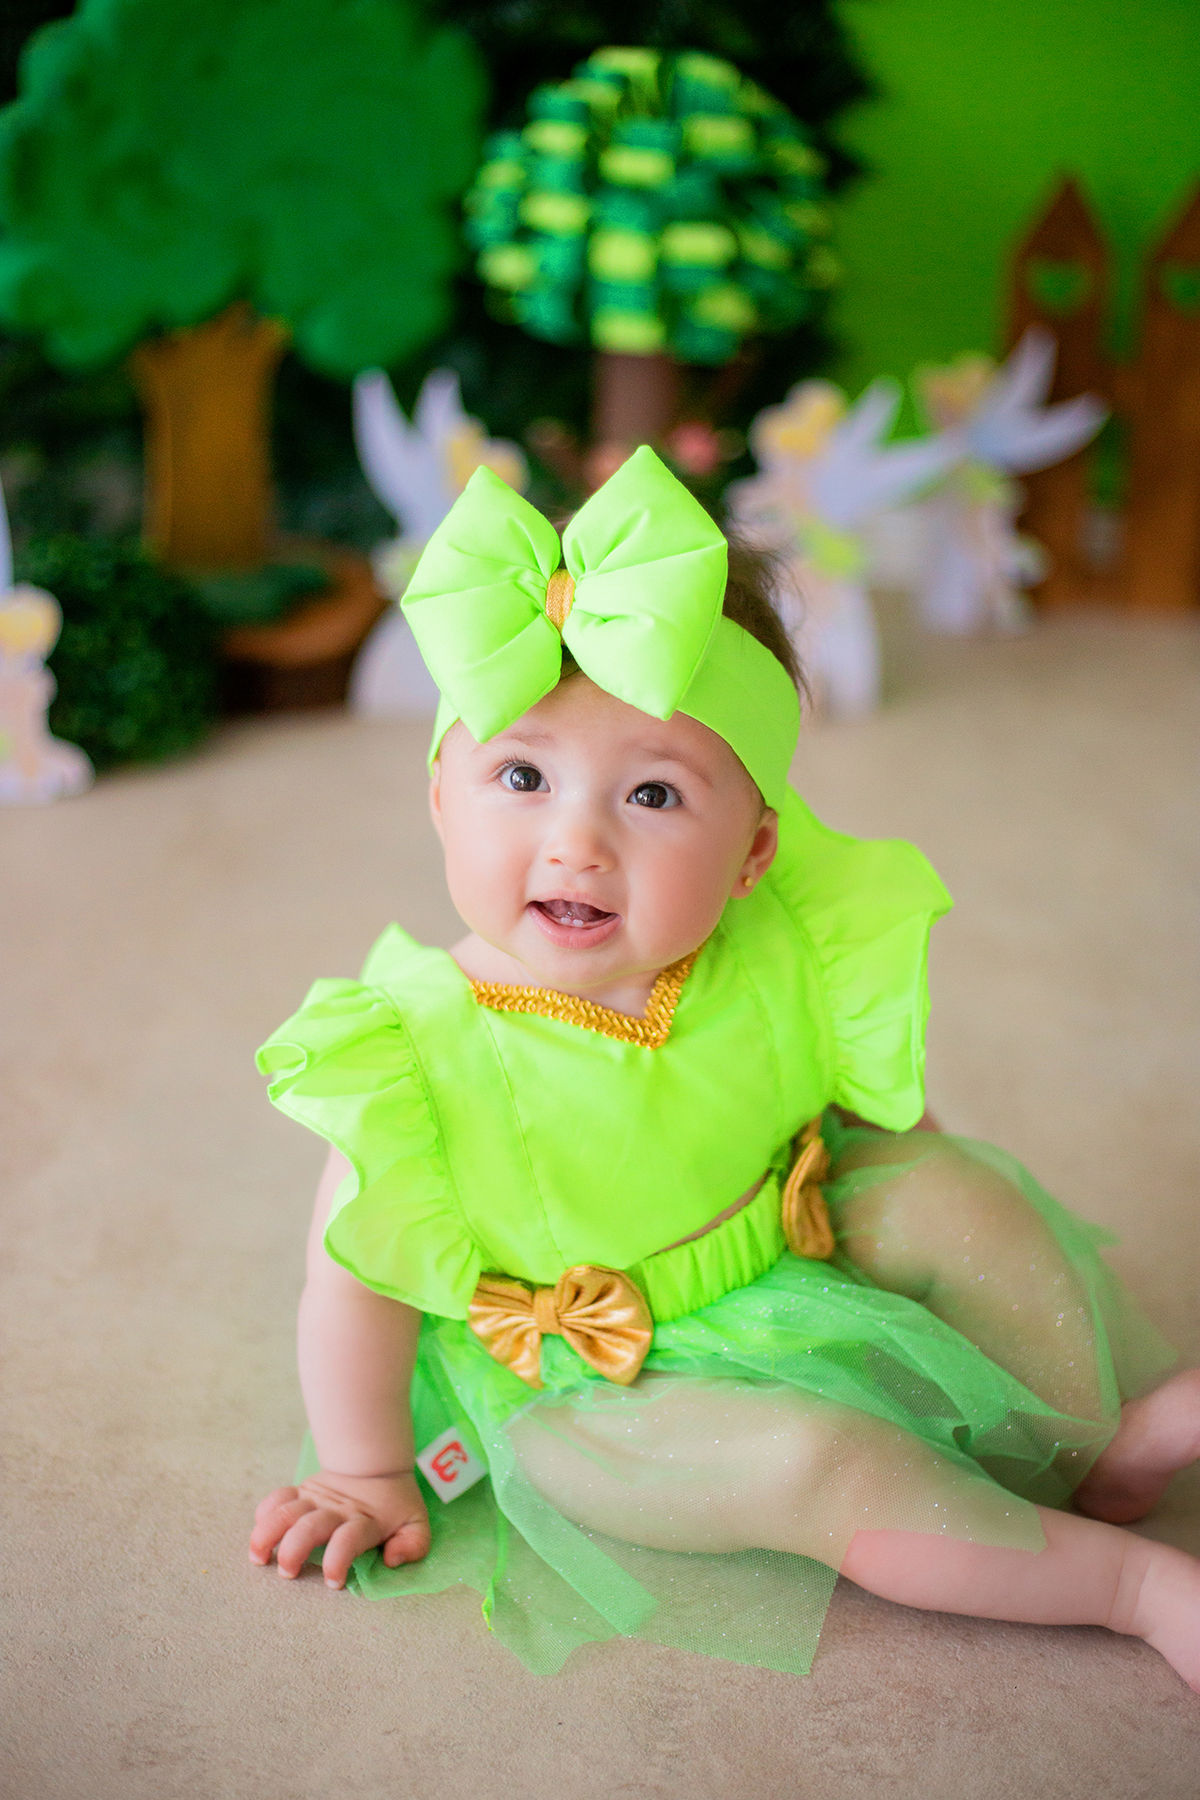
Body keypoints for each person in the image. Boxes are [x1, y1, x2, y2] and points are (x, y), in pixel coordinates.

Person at [249, 448, 1200, 1685]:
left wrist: (920, 1198)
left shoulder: (776, 935)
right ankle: (1126, 1586)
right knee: (818, 1462)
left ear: (751, 855)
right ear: (442, 794)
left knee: (955, 1192)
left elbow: (858, 1102)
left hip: (784, 1245)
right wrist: (363, 1471)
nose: (576, 843)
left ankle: (1089, 1446)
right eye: (522, 777)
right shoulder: (414, 1054)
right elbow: (354, 1286)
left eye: (651, 794)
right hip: (595, 1385)